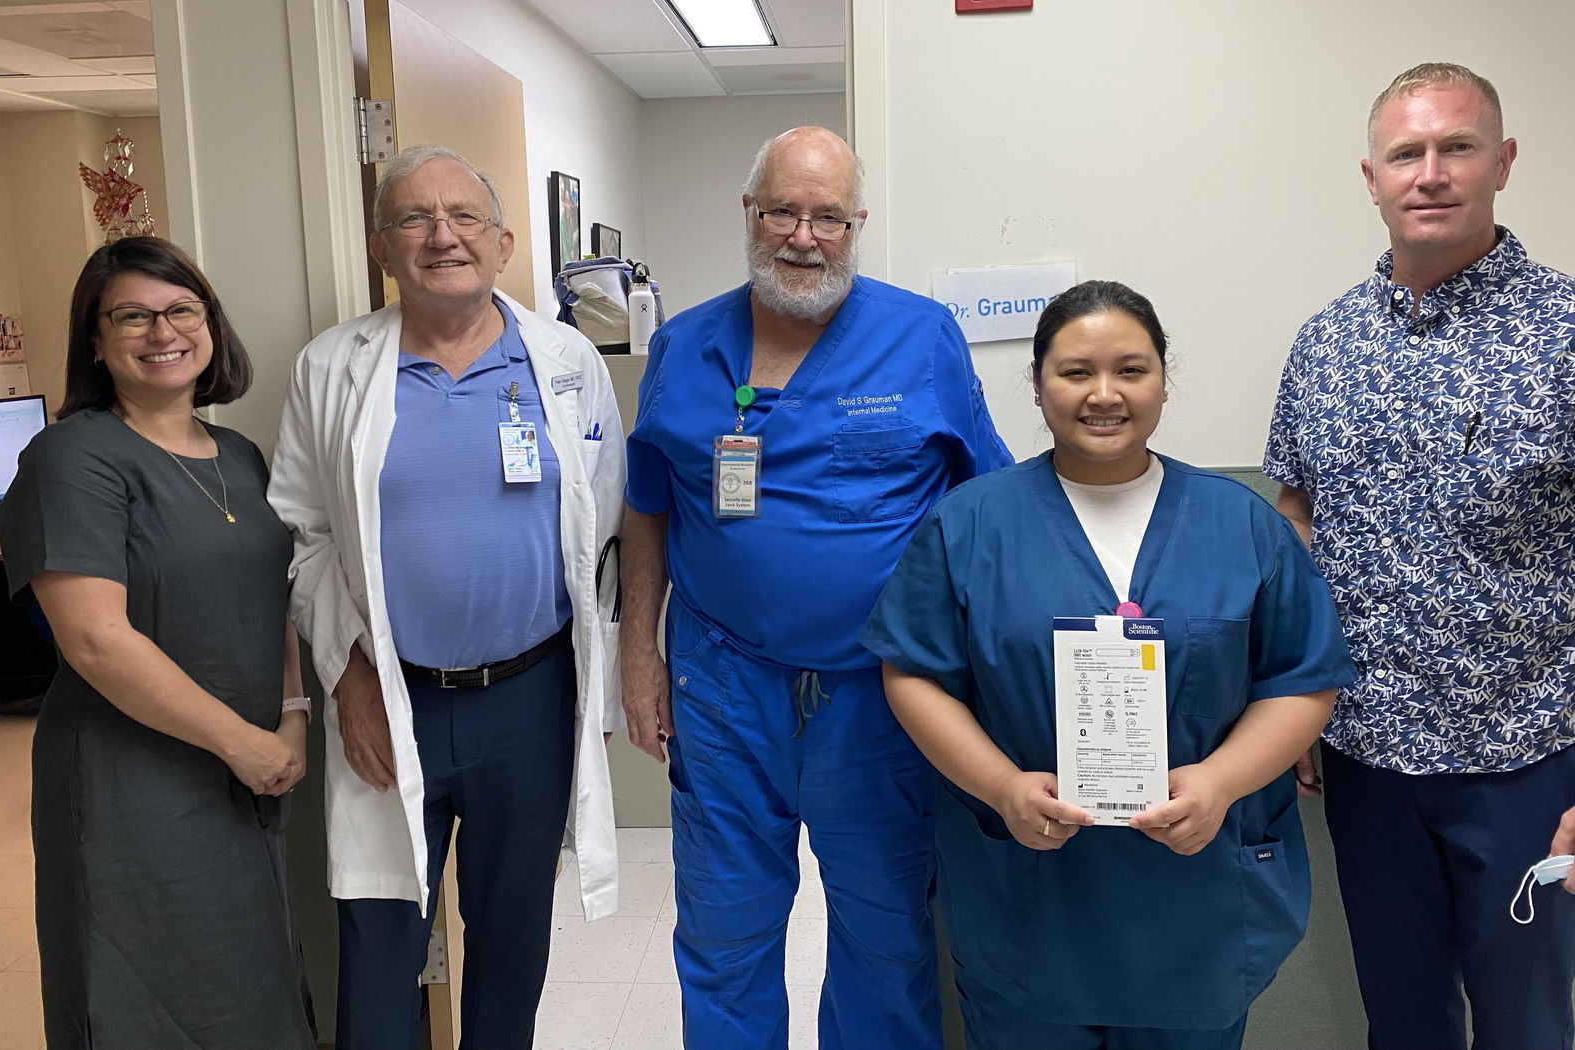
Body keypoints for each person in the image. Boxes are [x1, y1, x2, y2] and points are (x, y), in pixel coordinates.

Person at [862, 280, 1355, 1050]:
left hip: (1198, 894)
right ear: (1035, 383)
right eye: (1074, 371)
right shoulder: (971, 522)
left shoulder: (1243, 523)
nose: (1104, 394)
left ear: (1163, 378)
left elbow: (1302, 678)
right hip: (1031, 891)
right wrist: (1002, 787)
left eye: (1131, 369)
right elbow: (915, 674)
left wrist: (1220, 782)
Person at [620, 125, 1011, 1050]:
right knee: (723, 935)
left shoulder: (921, 338)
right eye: (784, 211)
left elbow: (987, 510)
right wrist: (639, 658)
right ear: (750, 215)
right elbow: (647, 510)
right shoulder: (682, 346)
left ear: (857, 223)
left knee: (884, 936)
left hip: (882, 695)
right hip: (721, 687)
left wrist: (993, 676)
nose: (804, 235)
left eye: (827, 216)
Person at [267, 145, 625, 1050]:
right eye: (415, 219)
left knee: (511, 943)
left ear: (503, 242)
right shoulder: (332, 369)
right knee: (380, 942)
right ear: (382, 247)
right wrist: (347, 680)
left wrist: (608, 686)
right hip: (388, 696)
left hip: (530, 698)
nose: (442, 236)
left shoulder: (566, 361)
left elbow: (605, 528)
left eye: (464, 217)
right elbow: (301, 536)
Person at [1264, 62, 1575, 1050]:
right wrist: (1294, 701)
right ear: (1371, 175)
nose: (1430, 173)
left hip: (1528, 758)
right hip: (1367, 760)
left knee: (1527, 1026)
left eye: (1456, 148)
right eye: (1407, 153)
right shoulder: (1325, 344)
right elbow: (1294, 510)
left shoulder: (1565, 333)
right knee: (1401, 1023)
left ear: (1503, 162)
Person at [0, 237, 314, 1049]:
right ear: (95, 342)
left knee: (246, 986)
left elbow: (279, 597)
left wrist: (291, 717)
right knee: (141, 999)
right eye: (130, 316)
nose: (161, 331)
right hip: (129, 784)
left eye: (180, 310)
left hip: (243, 774)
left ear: (209, 326)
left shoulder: (238, 455)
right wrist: (244, 743)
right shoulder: (72, 459)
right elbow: (96, 641)